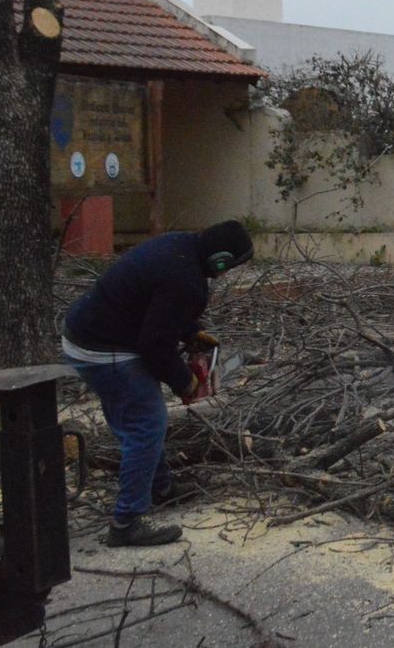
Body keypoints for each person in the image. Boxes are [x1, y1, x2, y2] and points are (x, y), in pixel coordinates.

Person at [62, 220, 253, 547]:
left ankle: (160, 487)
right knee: (146, 423)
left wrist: (191, 332)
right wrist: (186, 381)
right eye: (228, 267)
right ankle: (126, 523)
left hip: (86, 334)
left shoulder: (180, 244)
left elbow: (161, 302)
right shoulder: (188, 281)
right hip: (102, 348)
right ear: (220, 260)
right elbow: (154, 345)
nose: (226, 273)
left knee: (138, 420)